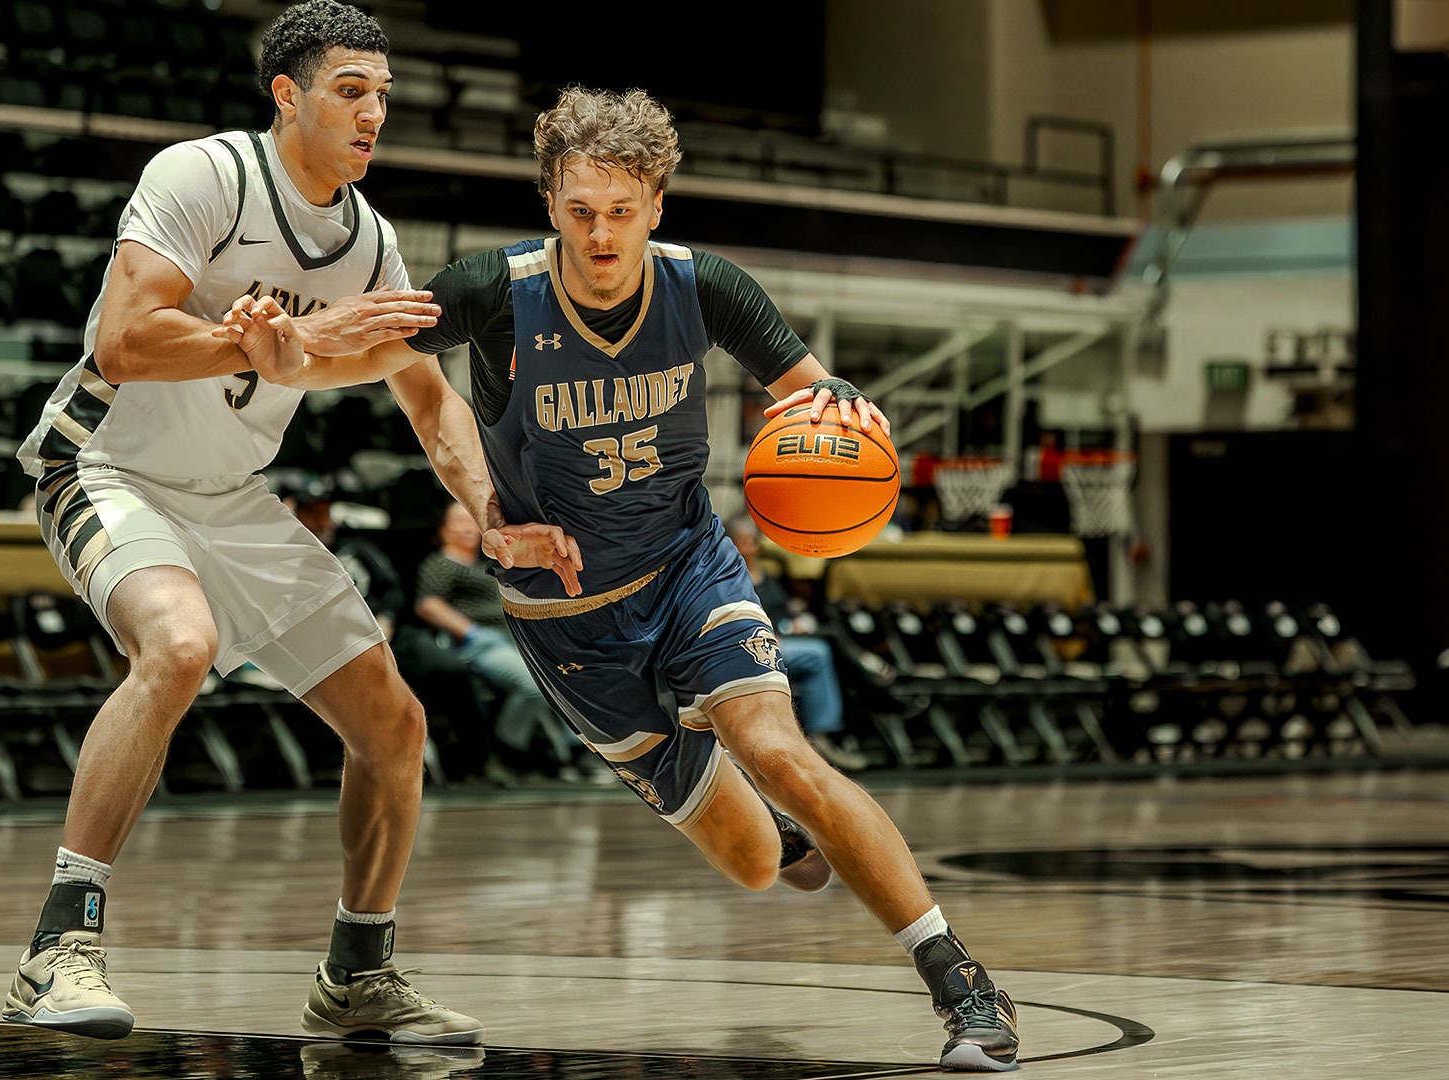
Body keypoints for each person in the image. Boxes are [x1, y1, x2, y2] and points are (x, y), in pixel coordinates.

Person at [227, 87, 1020, 1072]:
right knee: (756, 860)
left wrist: (851, 409)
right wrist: (282, 357)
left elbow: (813, 387)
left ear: (655, 204)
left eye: (620, 211)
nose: (600, 234)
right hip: (569, 628)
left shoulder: (706, 287)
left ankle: (963, 987)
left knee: (780, 752)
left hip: (688, 567)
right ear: (549, 201)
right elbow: (365, 350)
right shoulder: (494, 290)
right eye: (579, 210)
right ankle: (778, 826)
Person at [3, 0, 570, 1045]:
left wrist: (493, 514)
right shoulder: (203, 175)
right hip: (106, 466)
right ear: (288, 95)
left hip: (233, 499)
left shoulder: (373, 242)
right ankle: (59, 951)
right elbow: (126, 341)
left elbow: (432, 401)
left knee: (394, 723)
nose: (373, 116)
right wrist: (277, 344)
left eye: (383, 97)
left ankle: (359, 973)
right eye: (351, 92)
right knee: (178, 645)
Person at [282, 479, 499, 784]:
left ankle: (475, 763)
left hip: (390, 635)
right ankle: (332, 764)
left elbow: (393, 591)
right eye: (312, 514)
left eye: (325, 512)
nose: (322, 521)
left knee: (454, 671)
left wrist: (385, 618)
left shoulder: (355, 549)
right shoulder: (287, 558)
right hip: (330, 645)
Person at [415, 500, 584, 780]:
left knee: (566, 673)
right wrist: (472, 633)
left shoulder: (488, 564)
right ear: (442, 529)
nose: (467, 528)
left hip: (514, 638)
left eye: (470, 521)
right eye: (457, 522)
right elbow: (429, 605)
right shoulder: (440, 563)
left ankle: (574, 750)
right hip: (477, 643)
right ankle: (508, 750)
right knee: (533, 684)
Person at [723, 515, 865, 771]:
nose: (755, 545)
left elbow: (784, 611)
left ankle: (830, 729)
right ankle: (822, 733)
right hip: (748, 645)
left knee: (827, 639)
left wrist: (795, 620)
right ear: (732, 543)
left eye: (755, 540)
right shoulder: (727, 579)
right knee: (818, 653)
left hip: (780, 639)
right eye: (748, 540)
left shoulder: (766, 577)